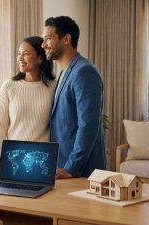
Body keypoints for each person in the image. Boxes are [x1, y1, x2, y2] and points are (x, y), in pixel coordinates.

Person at [0, 36, 56, 172]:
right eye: (19, 54)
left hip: (42, 161)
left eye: (25, 54)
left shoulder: (54, 87)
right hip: (15, 162)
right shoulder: (9, 86)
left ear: (40, 58)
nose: (19, 58)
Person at [41, 16, 106, 178]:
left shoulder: (84, 71)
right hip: (63, 167)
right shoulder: (64, 72)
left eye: (48, 38)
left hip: (80, 171)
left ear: (66, 39)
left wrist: (72, 167)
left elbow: (88, 125)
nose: (43, 45)